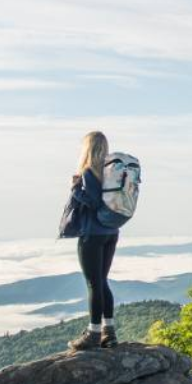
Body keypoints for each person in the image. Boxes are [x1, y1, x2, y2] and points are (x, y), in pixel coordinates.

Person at [68, 131, 120, 350]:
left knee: (94, 283)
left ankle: (93, 333)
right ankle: (109, 332)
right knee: (103, 281)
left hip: (92, 233)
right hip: (111, 231)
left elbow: (92, 202)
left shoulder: (89, 172)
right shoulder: (112, 171)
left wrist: (74, 188)